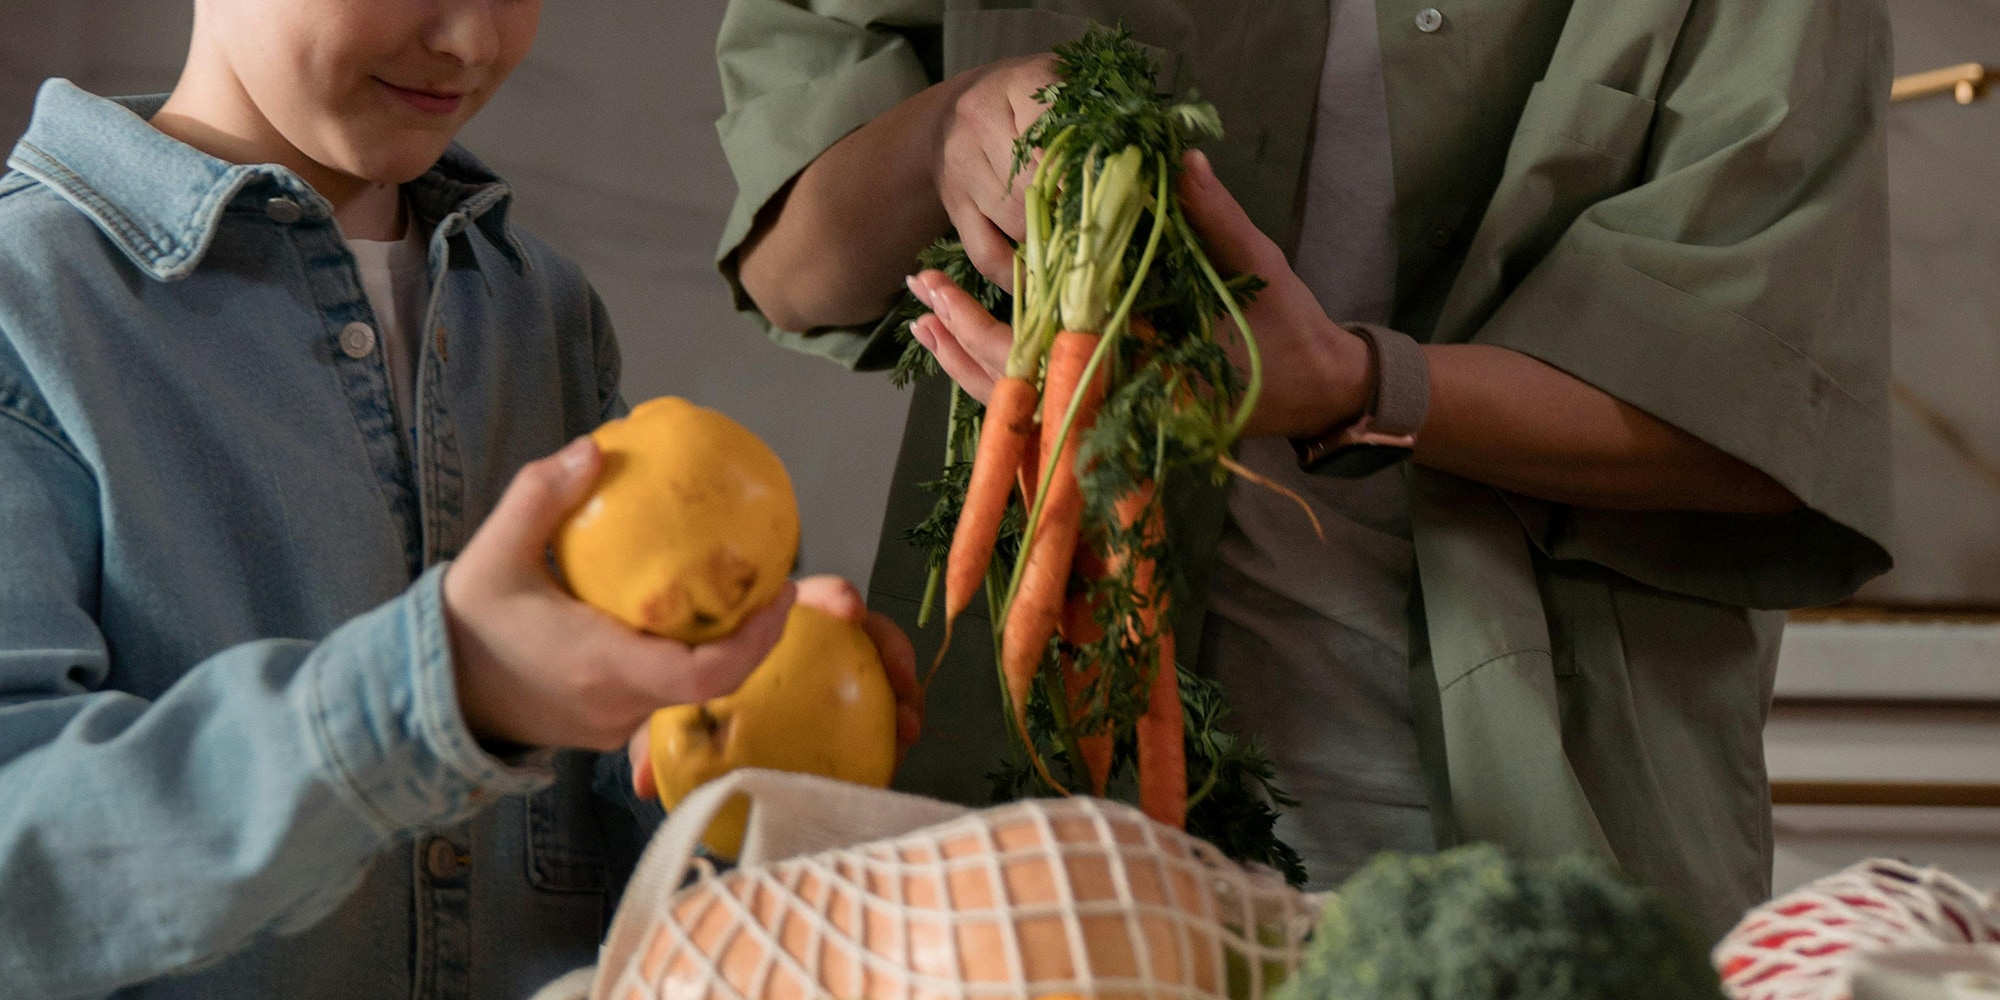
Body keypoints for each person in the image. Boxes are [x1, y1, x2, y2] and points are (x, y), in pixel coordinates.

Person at [712, 0, 1893, 939]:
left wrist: (1354, 383)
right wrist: (941, 130)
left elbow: (1762, 413)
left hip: (1532, 811)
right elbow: (788, 264)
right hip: (1032, 831)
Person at [0, 1, 920, 996]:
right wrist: (441, 692)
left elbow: (599, 846)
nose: (471, 41)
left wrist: (706, 728)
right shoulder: (28, 311)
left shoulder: (540, 313)